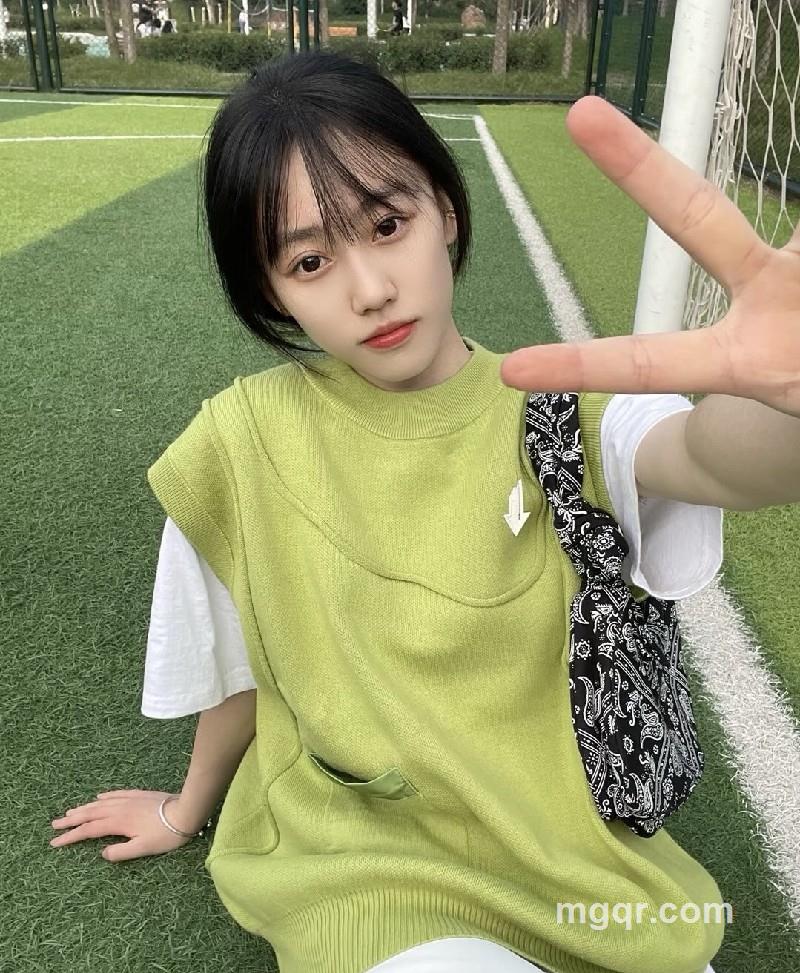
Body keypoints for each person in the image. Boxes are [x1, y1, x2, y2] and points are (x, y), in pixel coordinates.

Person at [47, 50, 800, 973]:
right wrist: (184, 807)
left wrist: (785, 394)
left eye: (387, 223)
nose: (369, 289)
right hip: (368, 868)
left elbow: (720, 460)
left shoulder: (560, 409)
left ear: (444, 206)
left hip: (572, 866)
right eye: (310, 260)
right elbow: (243, 664)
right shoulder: (240, 441)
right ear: (270, 289)